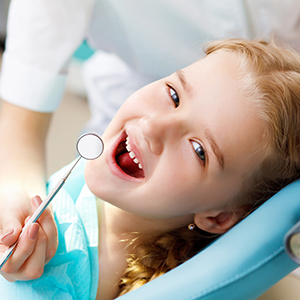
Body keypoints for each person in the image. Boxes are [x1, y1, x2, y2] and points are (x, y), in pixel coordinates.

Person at [0, 38, 300, 299]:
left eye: (199, 151)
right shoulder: (96, 186)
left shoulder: (48, 284)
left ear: (218, 215)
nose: (153, 126)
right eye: (174, 95)